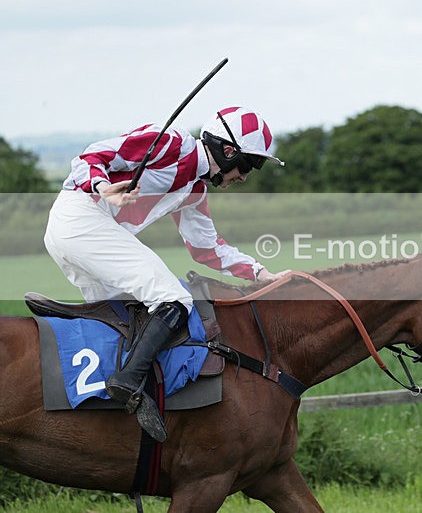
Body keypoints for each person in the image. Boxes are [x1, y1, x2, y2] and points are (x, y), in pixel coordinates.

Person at [44, 106, 289, 441]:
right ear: (229, 151)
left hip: (77, 234)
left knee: (122, 318)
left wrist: (261, 274)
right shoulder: (173, 144)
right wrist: (103, 187)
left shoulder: (196, 191)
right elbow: (91, 156)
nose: (244, 176)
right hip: (81, 219)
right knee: (173, 298)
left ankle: (102, 412)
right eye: (248, 165)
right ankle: (128, 382)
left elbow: (206, 248)